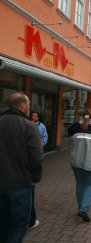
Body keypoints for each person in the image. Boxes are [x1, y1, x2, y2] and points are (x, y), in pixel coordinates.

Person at [0, 92, 43, 243]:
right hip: (21, 184)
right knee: (19, 226)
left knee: (3, 224)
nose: (30, 108)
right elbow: (37, 158)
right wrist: (35, 177)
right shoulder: (28, 126)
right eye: (29, 105)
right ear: (23, 105)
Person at [67, 109, 91, 222]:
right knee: (90, 185)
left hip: (75, 161)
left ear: (82, 116)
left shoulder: (75, 128)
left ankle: (80, 207)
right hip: (89, 162)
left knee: (80, 184)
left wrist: (78, 122)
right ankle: (83, 209)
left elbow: (69, 131)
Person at [29, 111, 48, 230]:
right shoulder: (28, 124)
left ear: (39, 117)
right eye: (33, 115)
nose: (34, 117)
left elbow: (45, 136)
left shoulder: (41, 126)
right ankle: (30, 221)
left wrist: (42, 144)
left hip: (38, 149)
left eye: (36, 115)